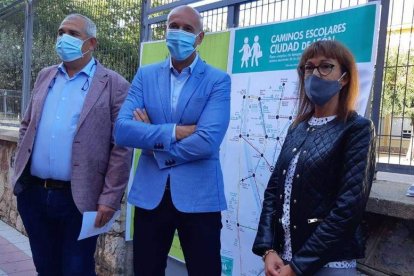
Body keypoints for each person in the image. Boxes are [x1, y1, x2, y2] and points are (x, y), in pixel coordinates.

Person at [114, 5, 230, 276]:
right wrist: (175, 131)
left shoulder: (217, 81)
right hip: (150, 196)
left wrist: (153, 143)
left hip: (200, 198)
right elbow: (122, 130)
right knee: (146, 270)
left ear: (199, 38)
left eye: (187, 29)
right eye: (173, 26)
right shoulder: (146, 75)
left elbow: (208, 140)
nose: (179, 33)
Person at [12, 14, 132, 276]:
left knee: (76, 269)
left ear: (92, 43)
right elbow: (27, 125)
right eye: (60, 31)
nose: (63, 38)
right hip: (34, 194)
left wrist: (110, 199)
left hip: (80, 200)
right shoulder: (46, 76)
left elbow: (121, 148)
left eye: (73, 33)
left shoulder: (114, 84)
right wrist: (18, 175)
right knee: (45, 267)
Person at [252, 40, 376, 276]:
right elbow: (273, 191)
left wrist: (298, 267)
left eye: (326, 66)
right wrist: (268, 250)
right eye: (309, 67)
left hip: (328, 265)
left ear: (345, 78)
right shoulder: (297, 128)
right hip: (283, 259)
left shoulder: (357, 129)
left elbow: (346, 210)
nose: (315, 74)